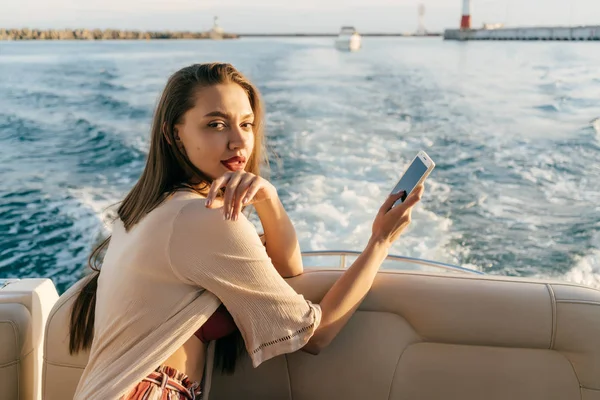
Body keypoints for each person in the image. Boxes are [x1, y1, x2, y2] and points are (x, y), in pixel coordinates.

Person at [67, 62, 424, 400]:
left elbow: (285, 269)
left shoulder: (149, 209)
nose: (239, 142)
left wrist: (268, 197)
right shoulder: (202, 219)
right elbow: (316, 334)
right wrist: (380, 241)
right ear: (173, 134)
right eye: (216, 125)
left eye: (247, 124)